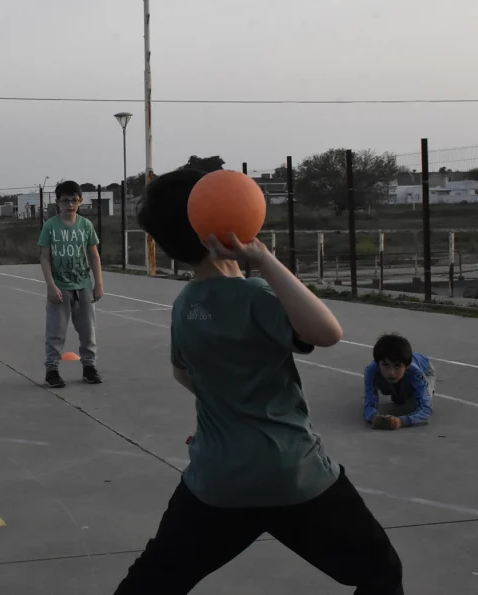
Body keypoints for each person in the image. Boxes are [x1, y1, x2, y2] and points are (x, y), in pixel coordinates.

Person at [114, 168, 403, 595]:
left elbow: (182, 371)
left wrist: (225, 406)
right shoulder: (256, 296)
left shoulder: (185, 304)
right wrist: (264, 260)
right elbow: (328, 333)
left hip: (217, 480)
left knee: (152, 581)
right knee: (380, 570)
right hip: (292, 473)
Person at [38, 180, 104, 388]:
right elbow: (45, 257)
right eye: (65, 200)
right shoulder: (50, 226)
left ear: (80, 202)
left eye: (74, 200)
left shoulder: (85, 226)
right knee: (56, 332)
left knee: (88, 331)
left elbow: (94, 256)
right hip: (60, 287)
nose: (70, 204)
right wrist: (51, 285)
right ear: (57, 202)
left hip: (83, 286)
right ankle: (52, 370)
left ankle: (89, 367)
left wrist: (98, 283)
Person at [363, 334, 436, 430]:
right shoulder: (371, 370)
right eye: (386, 365)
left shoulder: (416, 372)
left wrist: (401, 421)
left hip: (425, 371)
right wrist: (374, 417)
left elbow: (426, 411)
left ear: (407, 366)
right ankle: (398, 389)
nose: (391, 373)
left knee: (413, 401)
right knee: (398, 399)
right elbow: (369, 404)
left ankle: (410, 389)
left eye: (397, 366)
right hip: (401, 375)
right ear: (377, 363)